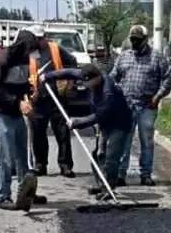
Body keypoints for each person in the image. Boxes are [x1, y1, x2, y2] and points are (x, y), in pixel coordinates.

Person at [40, 63, 133, 199]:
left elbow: (99, 115)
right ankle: (102, 184)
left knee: (111, 156)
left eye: (88, 82)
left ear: (97, 78)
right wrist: (47, 76)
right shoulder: (87, 74)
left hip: (119, 124)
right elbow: (69, 72)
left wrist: (77, 122)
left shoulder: (108, 91)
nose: (86, 85)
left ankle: (109, 188)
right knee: (98, 154)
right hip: (105, 123)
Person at [108, 24, 171, 186]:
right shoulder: (124, 57)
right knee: (124, 141)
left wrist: (158, 96)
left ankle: (146, 174)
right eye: (133, 40)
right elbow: (113, 78)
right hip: (126, 106)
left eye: (138, 40)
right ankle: (121, 174)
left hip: (147, 106)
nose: (135, 43)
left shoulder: (157, 58)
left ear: (146, 40)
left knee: (147, 141)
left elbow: (168, 77)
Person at [0, 29, 45, 211]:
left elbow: (21, 83)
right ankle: (1, 196)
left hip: (15, 113)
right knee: (6, 157)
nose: (31, 54)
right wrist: (17, 102)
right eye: (29, 49)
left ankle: (26, 191)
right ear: (22, 46)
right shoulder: (4, 58)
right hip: (0, 113)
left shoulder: (25, 59)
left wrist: (30, 94)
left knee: (22, 154)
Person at [27, 25, 78, 178]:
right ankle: (40, 164)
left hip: (57, 98)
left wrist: (70, 82)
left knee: (63, 132)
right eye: (35, 38)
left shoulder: (55, 48)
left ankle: (65, 165)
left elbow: (72, 61)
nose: (38, 41)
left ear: (45, 37)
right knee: (38, 134)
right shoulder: (30, 53)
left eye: (41, 38)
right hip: (38, 99)